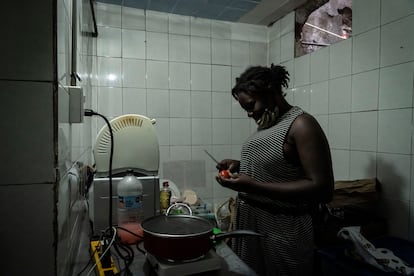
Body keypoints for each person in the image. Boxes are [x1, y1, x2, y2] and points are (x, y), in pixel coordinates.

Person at [215, 64, 334, 276]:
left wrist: (254, 186)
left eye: (251, 105)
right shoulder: (268, 125)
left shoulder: (302, 125)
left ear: (270, 92)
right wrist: (239, 165)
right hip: (252, 226)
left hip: (283, 230)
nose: (250, 114)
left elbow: (322, 188)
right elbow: (279, 167)